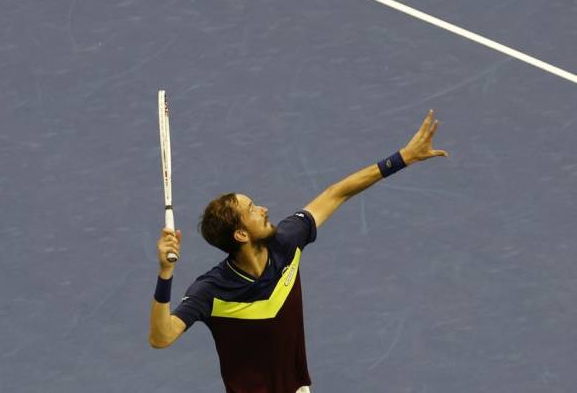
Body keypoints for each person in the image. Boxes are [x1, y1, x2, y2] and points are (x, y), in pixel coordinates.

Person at [148, 110, 449, 393]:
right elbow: (161, 337)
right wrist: (165, 274)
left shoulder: (286, 242)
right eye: (252, 209)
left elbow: (336, 193)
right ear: (241, 234)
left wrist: (403, 158)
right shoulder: (211, 290)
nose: (264, 209)